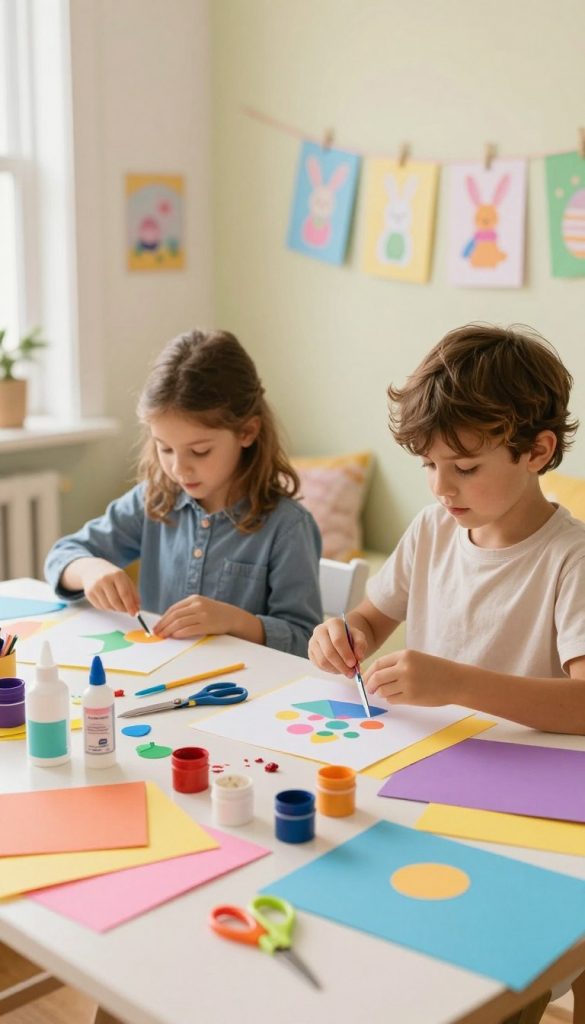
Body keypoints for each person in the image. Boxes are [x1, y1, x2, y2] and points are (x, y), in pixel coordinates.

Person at [309, 323, 585, 734]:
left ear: (536, 452)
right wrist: (342, 637)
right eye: (429, 465)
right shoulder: (431, 529)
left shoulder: (570, 559)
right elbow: (369, 620)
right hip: (427, 750)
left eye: (465, 468)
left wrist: (458, 684)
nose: (441, 487)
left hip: (525, 774)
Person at [45, 329, 322, 657]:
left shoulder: (287, 527)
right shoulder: (154, 500)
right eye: (165, 449)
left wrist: (234, 621)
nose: (178, 469)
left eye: (200, 451)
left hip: (246, 692)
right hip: (161, 676)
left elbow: (305, 640)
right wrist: (90, 570)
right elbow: (62, 555)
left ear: (247, 431)